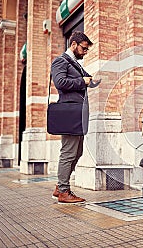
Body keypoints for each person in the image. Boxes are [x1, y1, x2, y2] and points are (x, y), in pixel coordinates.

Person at [50, 31, 100, 204]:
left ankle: (60, 186)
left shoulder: (75, 64)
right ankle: (63, 191)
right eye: (84, 48)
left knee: (77, 151)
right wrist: (82, 82)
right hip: (69, 111)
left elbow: (86, 78)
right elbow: (60, 83)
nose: (85, 52)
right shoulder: (60, 61)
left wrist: (94, 80)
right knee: (68, 152)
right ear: (73, 45)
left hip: (78, 112)